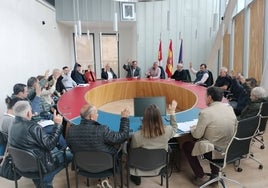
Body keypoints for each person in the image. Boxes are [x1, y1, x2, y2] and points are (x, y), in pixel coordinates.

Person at [8, 100, 72, 188]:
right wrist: (57, 125)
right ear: (28, 114)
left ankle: (41, 181)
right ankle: (45, 181)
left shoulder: (12, 124)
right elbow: (50, 145)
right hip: (40, 165)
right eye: (31, 110)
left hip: (21, 163)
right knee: (70, 155)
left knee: (56, 150)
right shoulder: (33, 127)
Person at [182, 86, 236, 186]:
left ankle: (200, 176)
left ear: (210, 98)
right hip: (230, 147)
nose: (204, 98)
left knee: (186, 145)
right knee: (215, 138)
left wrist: (193, 128)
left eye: (205, 96)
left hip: (215, 150)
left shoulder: (205, 113)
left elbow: (197, 135)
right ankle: (215, 174)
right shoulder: (229, 108)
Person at [67, 104, 130, 187]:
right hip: (106, 165)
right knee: (118, 148)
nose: (98, 115)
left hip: (83, 165)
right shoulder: (102, 130)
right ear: (91, 116)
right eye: (96, 113)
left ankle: (103, 178)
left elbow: (72, 148)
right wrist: (124, 119)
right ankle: (104, 178)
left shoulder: (71, 130)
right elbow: (122, 136)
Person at [129, 100, 178, 185]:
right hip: (160, 165)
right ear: (159, 117)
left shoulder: (136, 136)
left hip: (139, 166)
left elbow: (133, 149)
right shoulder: (168, 131)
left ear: (144, 118)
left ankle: (136, 177)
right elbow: (174, 128)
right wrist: (172, 111)